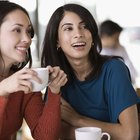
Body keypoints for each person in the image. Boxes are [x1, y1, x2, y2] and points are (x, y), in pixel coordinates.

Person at [41, 3, 140, 140]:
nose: (78, 34)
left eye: (84, 26)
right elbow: (53, 133)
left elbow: (129, 135)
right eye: (68, 28)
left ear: (92, 36)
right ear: (57, 41)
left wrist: (77, 119)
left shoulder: (114, 70)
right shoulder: (56, 80)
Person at [0, 1, 67, 140]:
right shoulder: (13, 83)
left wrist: (54, 91)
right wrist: (3, 89)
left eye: (29, 32)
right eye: (17, 30)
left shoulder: (24, 82)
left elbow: (45, 137)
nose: (28, 39)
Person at [99, 19, 138, 85]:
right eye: (115, 39)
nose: (117, 41)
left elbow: (132, 72)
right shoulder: (95, 51)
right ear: (105, 36)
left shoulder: (120, 49)